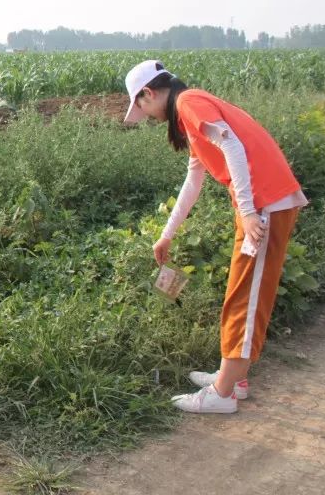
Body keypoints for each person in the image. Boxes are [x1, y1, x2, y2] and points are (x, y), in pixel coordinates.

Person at [124, 60, 307, 414]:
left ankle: (223, 394)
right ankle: (231, 378)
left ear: (149, 93)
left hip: (264, 204)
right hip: (261, 203)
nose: (145, 115)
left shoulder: (189, 103)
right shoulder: (191, 113)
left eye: (142, 106)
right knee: (242, 291)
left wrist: (250, 210)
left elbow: (234, 148)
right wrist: (166, 235)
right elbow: (194, 179)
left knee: (245, 297)